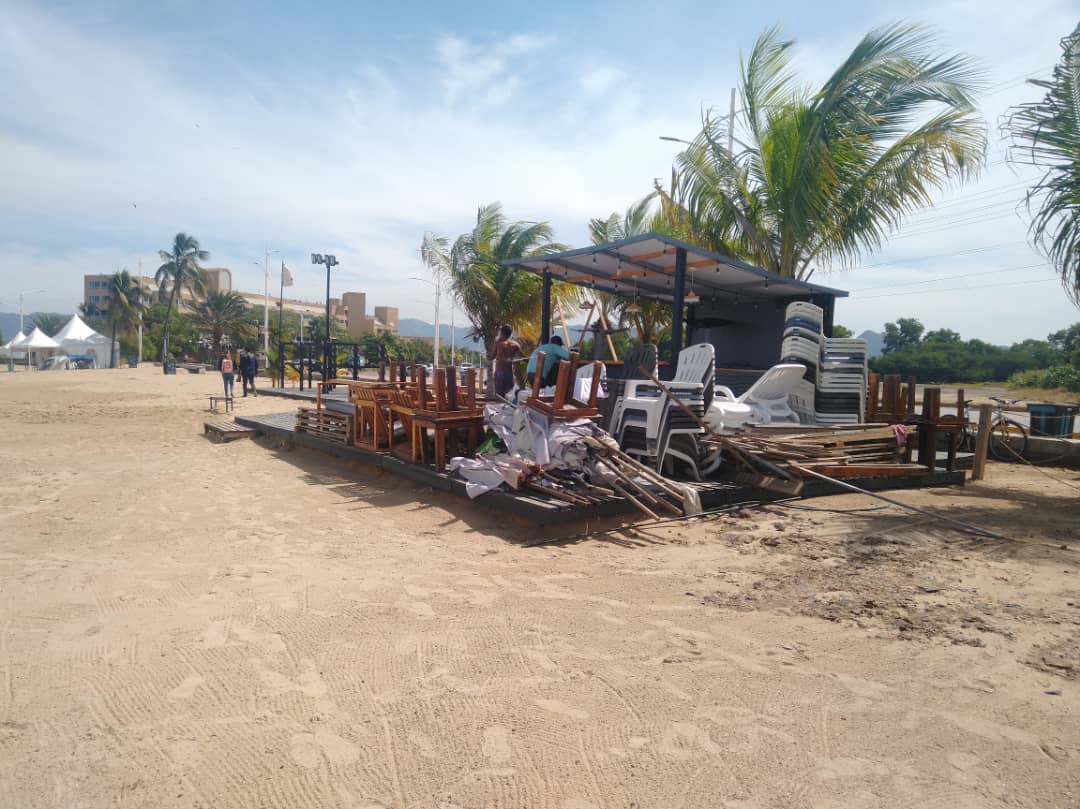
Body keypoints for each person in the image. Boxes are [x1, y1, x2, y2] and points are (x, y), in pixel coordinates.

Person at [489, 324, 522, 399]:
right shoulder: (515, 344)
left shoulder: (498, 343)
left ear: (501, 332)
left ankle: (500, 409)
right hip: (509, 373)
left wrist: (489, 355)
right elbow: (523, 357)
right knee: (509, 395)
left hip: (500, 372)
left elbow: (492, 357)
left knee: (499, 396)